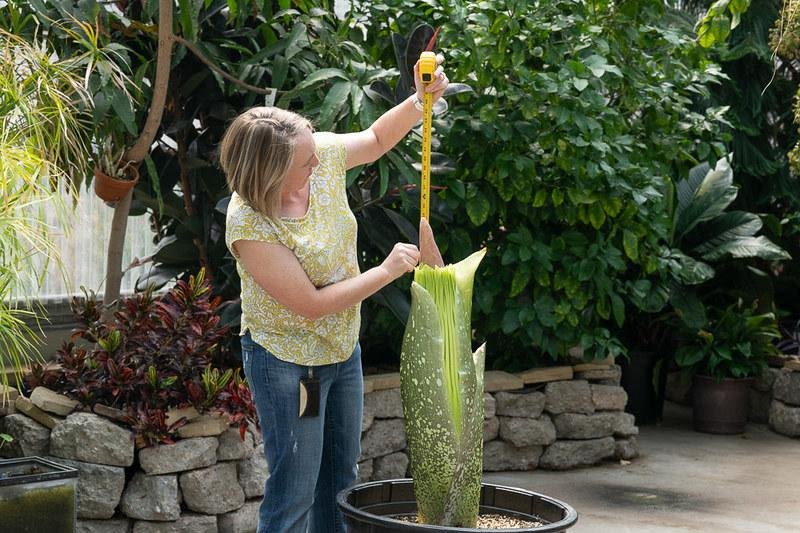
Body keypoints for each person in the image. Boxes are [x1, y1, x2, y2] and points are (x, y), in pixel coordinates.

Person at [220, 56, 448, 533]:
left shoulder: (315, 156)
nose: (321, 160)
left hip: (342, 352)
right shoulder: (249, 222)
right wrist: (388, 270)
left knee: (340, 484)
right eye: (307, 160)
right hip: (290, 364)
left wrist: (419, 101)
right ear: (271, 171)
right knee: (295, 492)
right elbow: (311, 304)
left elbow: (378, 139)